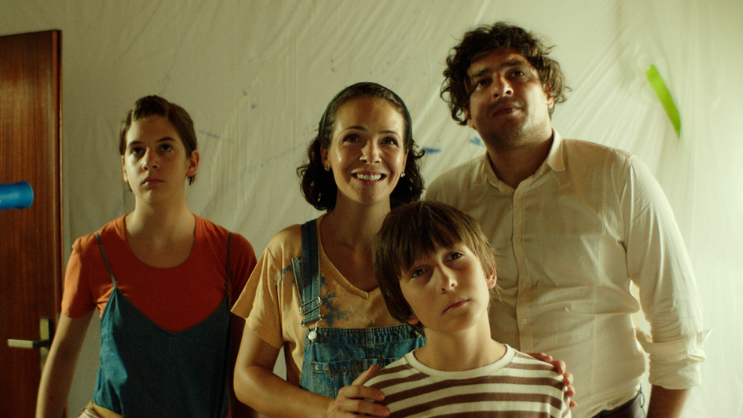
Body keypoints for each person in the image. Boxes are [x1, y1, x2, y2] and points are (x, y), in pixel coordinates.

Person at [427, 22, 708, 418]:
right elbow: (433, 318)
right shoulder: (447, 197)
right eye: (481, 82)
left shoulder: (618, 176)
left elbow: (677, 323)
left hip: (607, 409)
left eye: (516, 73)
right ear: (467, 114)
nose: (500, 88)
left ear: (548, 91)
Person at [35, 96, 258, 418]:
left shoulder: (233, 253)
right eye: (137, 150)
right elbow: (63, 355)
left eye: (165, 148)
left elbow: (244, 370)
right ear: (124, 168)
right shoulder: (92, 252)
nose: (149, 161)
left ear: (192, 161)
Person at [231, 82, 427, 418]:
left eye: (388, 141)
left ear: (405, 158)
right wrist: (329, 411)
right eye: (353, 138)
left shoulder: (431, 251)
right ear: (325, 154)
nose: (371, 155)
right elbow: (247, 377)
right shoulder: (289, 253)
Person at [367, 200, 571, 418]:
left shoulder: (546, 386)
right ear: (403, 305)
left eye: (454, 256)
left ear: (489, 269)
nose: (446, 282)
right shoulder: (378, 401)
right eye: (418, 272)